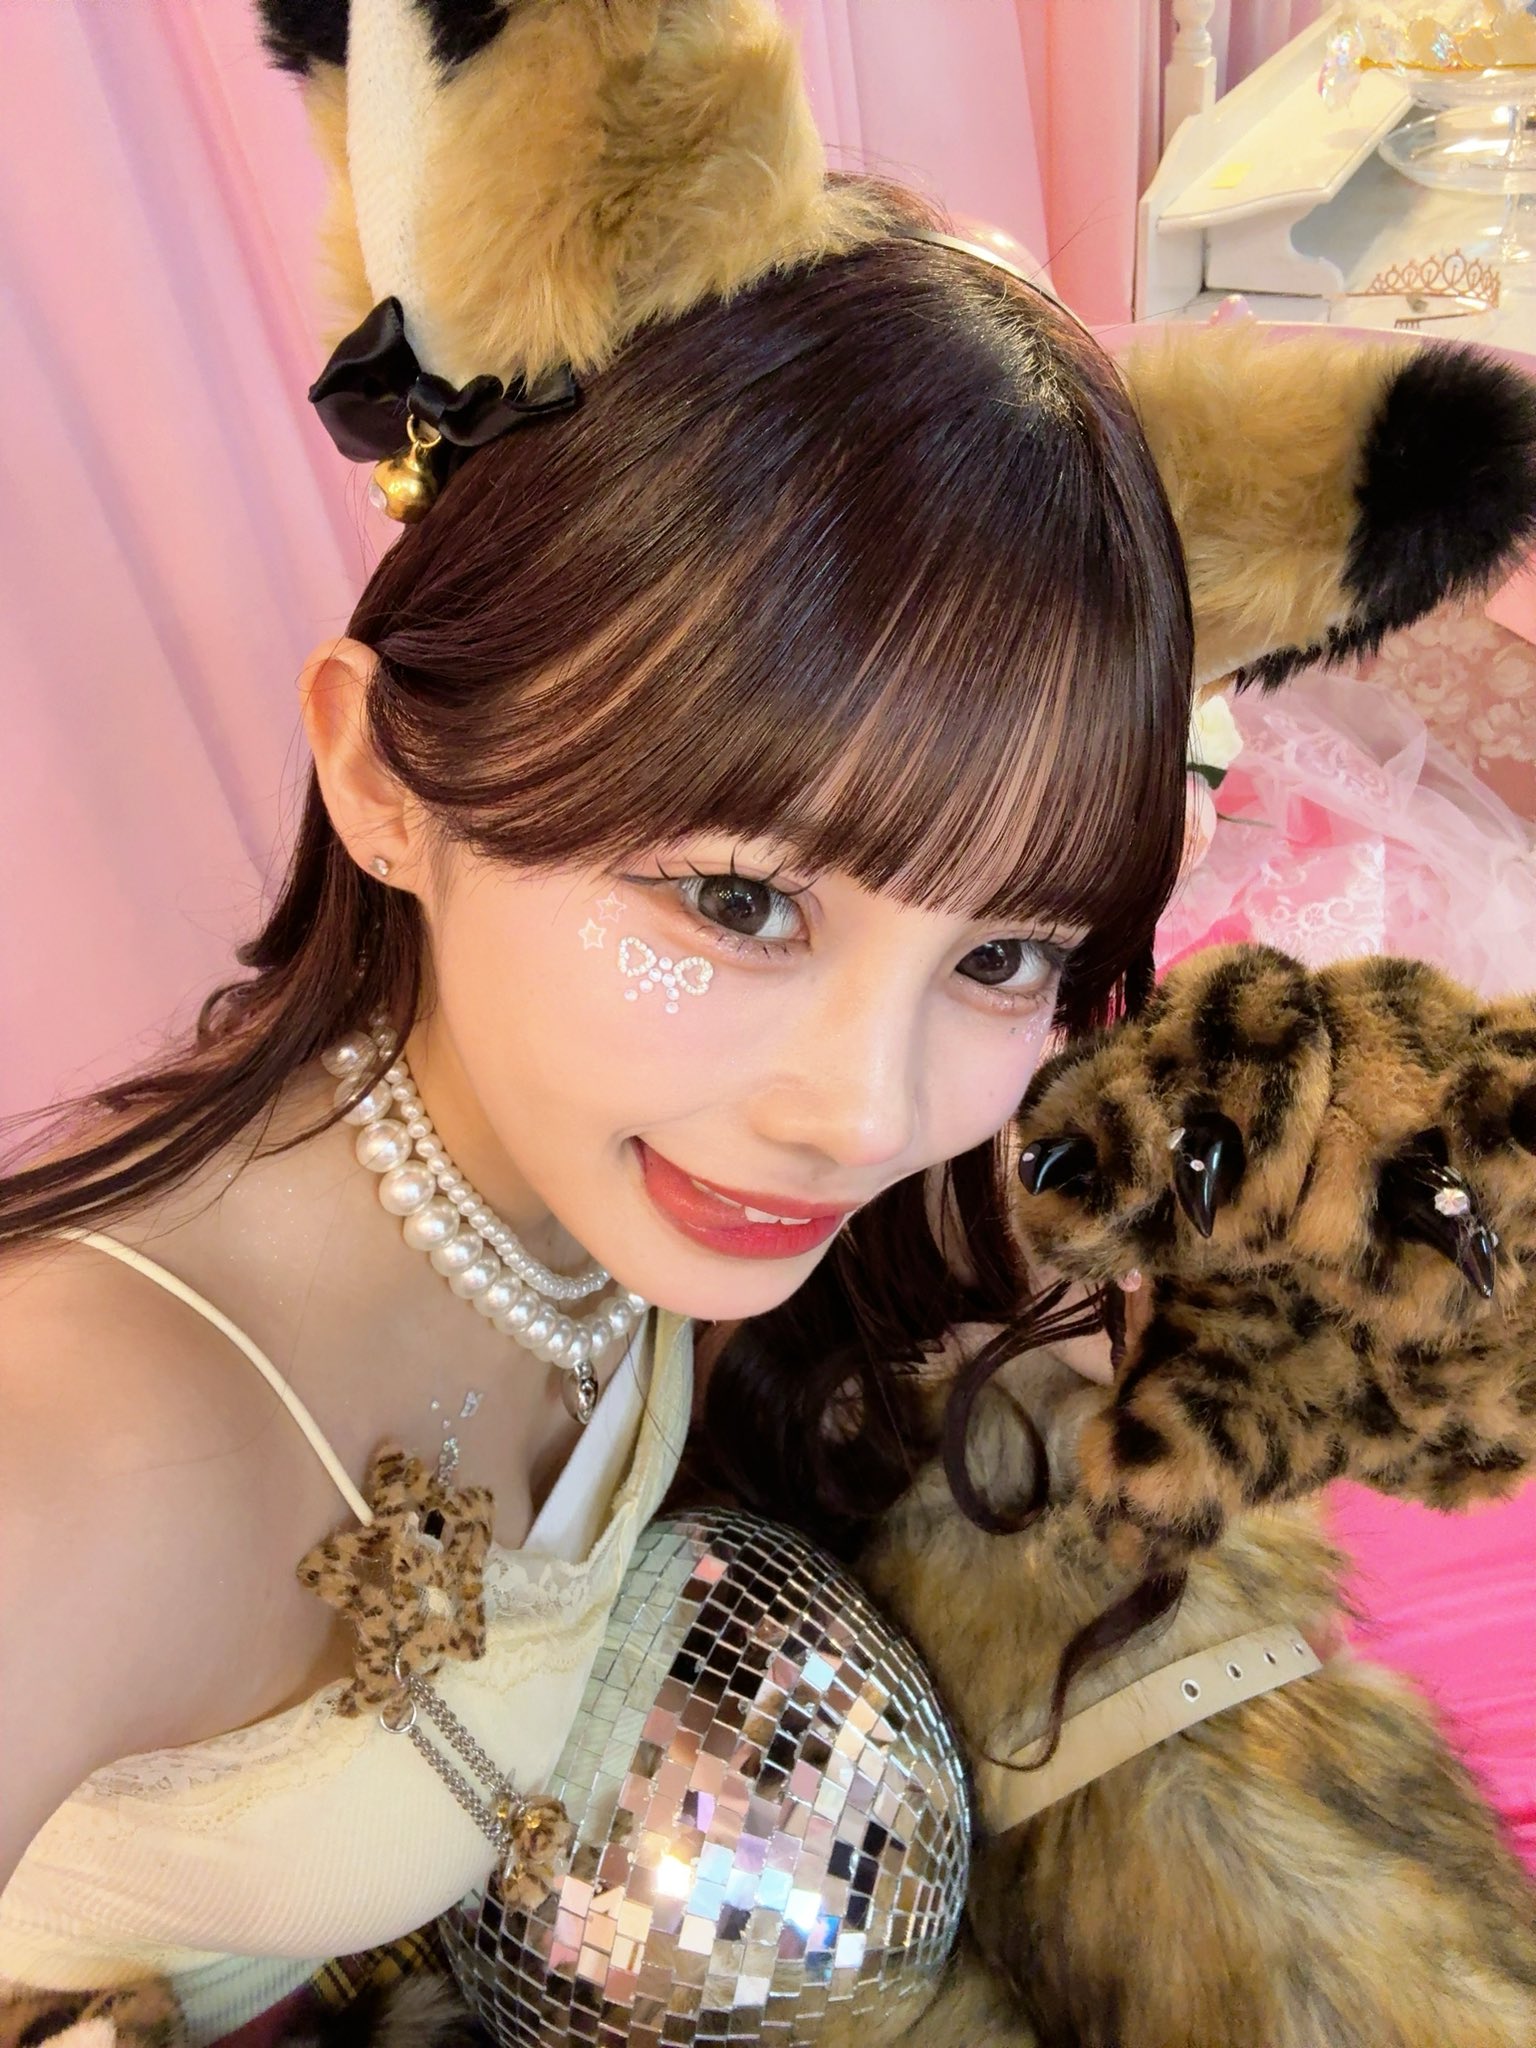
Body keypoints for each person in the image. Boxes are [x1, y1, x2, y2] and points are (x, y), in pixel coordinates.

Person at [0, 1, 1191, 2040]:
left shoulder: (621, 1163)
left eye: (1002, 952)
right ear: (385, 777)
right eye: (737, 902)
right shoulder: (86, 1454)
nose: (864, 1113)